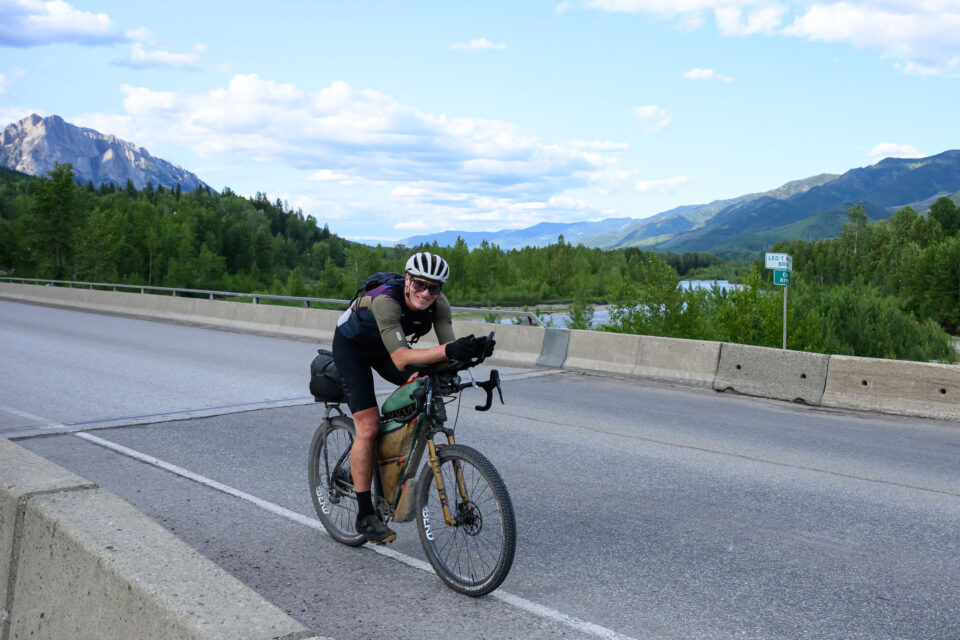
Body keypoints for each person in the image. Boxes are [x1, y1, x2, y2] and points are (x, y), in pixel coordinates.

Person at [333, 251, 493, 543]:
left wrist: (471, 353)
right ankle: (365, 515)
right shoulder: (386, 301)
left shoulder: (438, 304)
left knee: (423, 383)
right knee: (367, 426)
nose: (426, 293)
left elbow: (448, 348)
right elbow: (401, 358)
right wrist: (449, 351)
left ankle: (387, 467)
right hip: (354, 347)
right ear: (407, 280)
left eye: (434, 287)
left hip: (388, 346)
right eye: (420, 284)